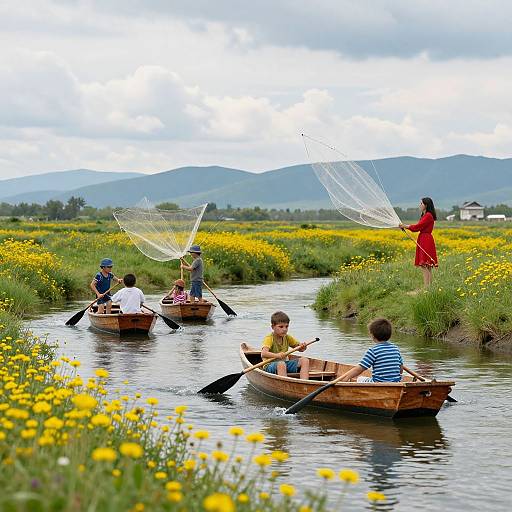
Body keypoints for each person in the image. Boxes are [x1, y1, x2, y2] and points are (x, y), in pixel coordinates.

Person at [339, 318, 403, 383]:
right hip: (396, 383)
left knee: (360, 379)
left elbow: (360, 369)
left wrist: (345, 379)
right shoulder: (395, 349)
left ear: (372, 335)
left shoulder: (373, 351)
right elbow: (400, 370)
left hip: (378, 384)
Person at [399, 197, 438, 287]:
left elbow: (417, 227)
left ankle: (426, 288)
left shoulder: (428, 215)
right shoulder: (425, 215)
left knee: (424, 265)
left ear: (426, 205)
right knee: (427, 265)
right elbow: (418, 227)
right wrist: (405, 227)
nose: (419, 205)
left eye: (421, 203)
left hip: (426, 240)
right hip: (424, 239)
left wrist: (405, 226)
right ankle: (429, 288)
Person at [261, 311, 309, 379]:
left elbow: (300, 349)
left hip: (284, 364)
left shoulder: (287, 337)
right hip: (269, 366)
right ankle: (285, 385)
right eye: (281, 327)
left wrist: (303, 347)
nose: (284, 329)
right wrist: (277, 355)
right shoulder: (269, 338)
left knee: (305, 360)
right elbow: (263, 353)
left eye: (286, 326)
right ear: (273, 327)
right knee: (281, 364)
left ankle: (305, 383)